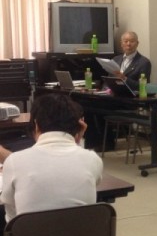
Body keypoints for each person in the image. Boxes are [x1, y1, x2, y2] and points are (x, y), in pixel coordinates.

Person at [0, 94, 103, 227]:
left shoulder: (14, 161)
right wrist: (78, 139)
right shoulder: (93, 160)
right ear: (79, 126)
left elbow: (12, 217)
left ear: (36, 125)